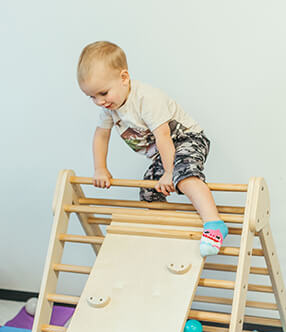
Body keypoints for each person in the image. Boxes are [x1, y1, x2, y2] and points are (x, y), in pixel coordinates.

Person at [77, 41, 228, 257]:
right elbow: (101, 135)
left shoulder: (147, 98)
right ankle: (165, 228)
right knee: (148, 190)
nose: (99, 101)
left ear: (124, 77)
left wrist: (169, 172)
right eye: (92, 97)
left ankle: (214, 224)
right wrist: (100, 168)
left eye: (103, 93)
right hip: (164, 152)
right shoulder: (110, 109)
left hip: (186, 139)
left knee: (183, 176)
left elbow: (163, 136)